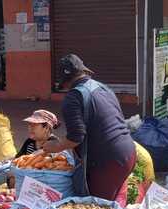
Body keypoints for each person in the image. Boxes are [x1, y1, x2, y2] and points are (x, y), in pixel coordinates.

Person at [42, 54, 136, 201]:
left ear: (66, 81)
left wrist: (54, 146)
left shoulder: (73, 97)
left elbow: (75, 137)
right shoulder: (103, 88)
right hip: (128, 153)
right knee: (114, 204)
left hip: (108, 161)